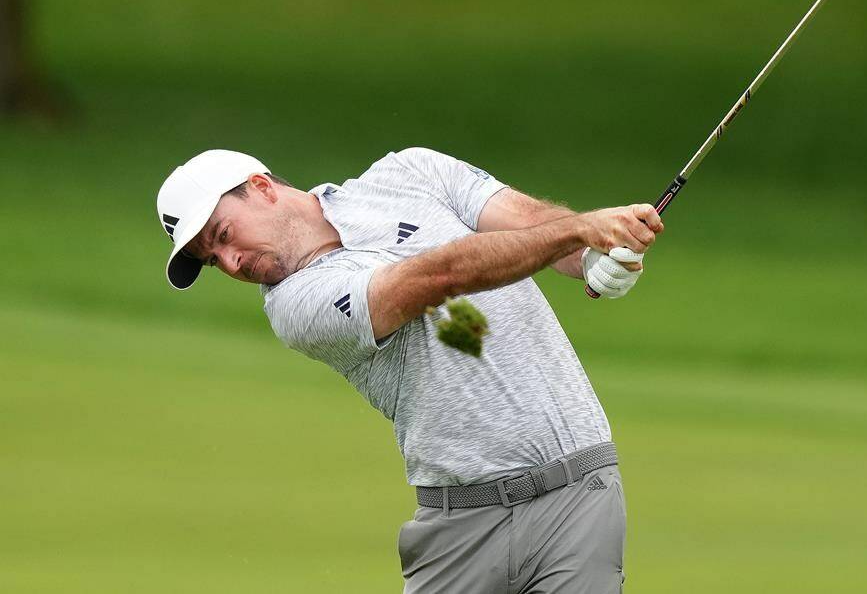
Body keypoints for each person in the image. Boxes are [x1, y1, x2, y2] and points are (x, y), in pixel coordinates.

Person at [156, 148, 662, 592]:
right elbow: (442, 275)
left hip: (578, 494)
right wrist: (578, 227)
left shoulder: (411, 171)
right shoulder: (295, 307)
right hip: (459, 526)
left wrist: (596, 254)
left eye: (223, 235)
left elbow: (532, 224)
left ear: (262, 188)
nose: (230, 261)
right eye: (211, 260)